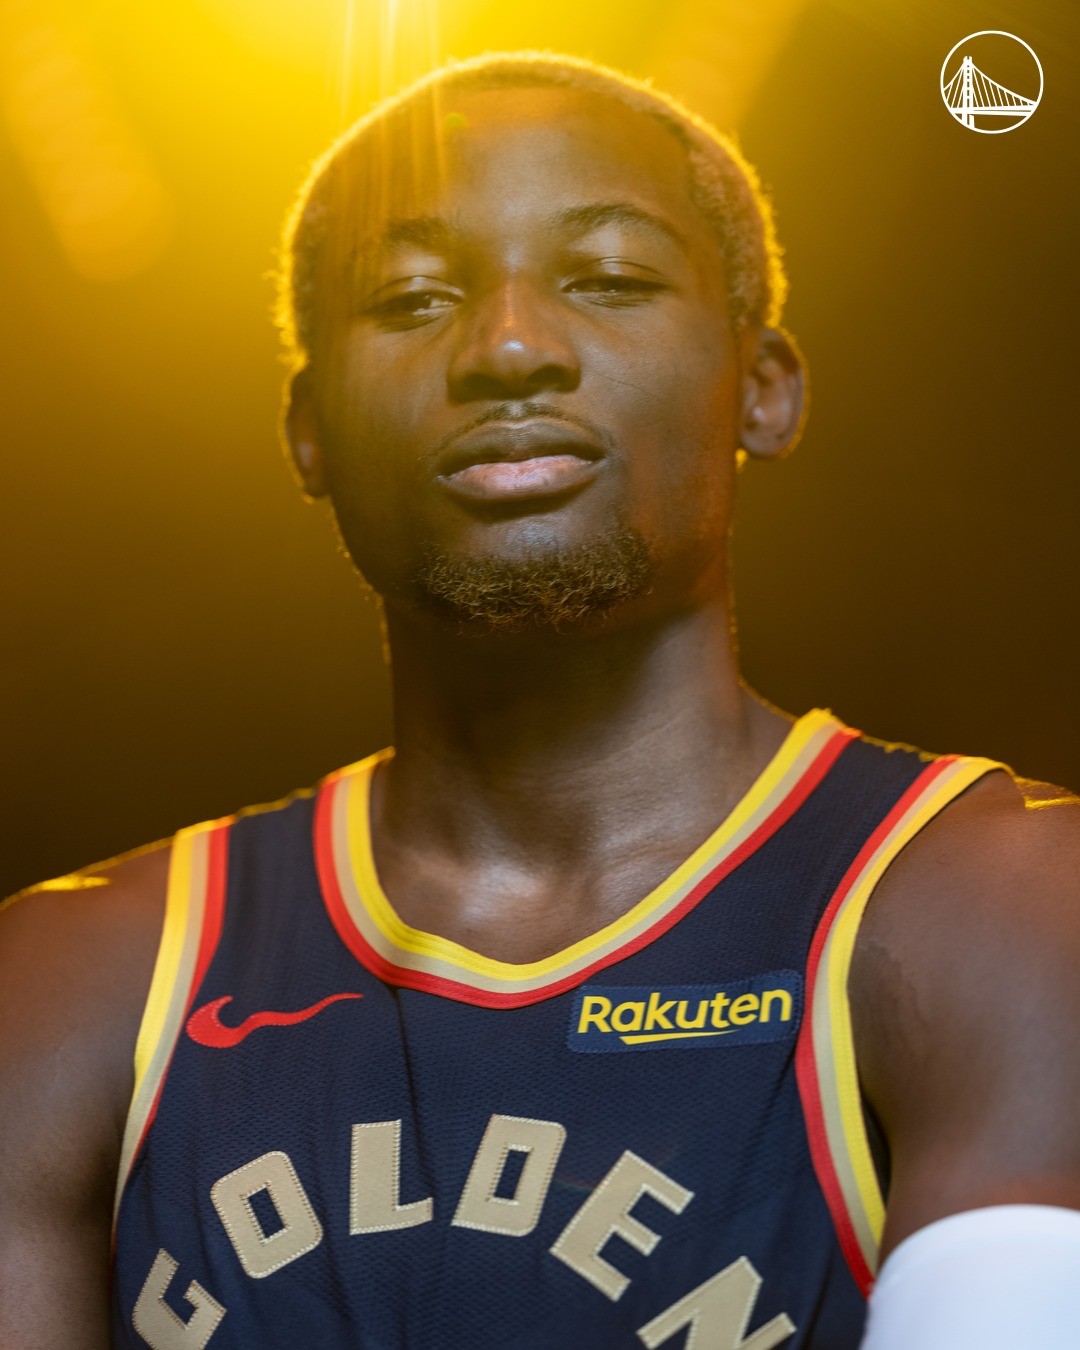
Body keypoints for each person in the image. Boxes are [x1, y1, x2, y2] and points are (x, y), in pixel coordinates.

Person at [1, 50, 1078, 1350]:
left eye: (610, 279)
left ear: (764, 385)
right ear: (307, 428)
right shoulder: (70, 982)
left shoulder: (1000, 906)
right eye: (411, 297)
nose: (509, 346)